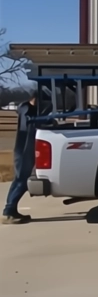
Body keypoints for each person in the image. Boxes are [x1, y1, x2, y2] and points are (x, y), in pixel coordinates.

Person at [2, 93, 38, 224]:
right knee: (21, 180)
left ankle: (10, 210)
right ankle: (9, 211)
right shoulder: (26, 108)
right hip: (23, 150)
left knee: (19, 180)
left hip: (24, 150)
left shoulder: (27, 110)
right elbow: (27, 112)